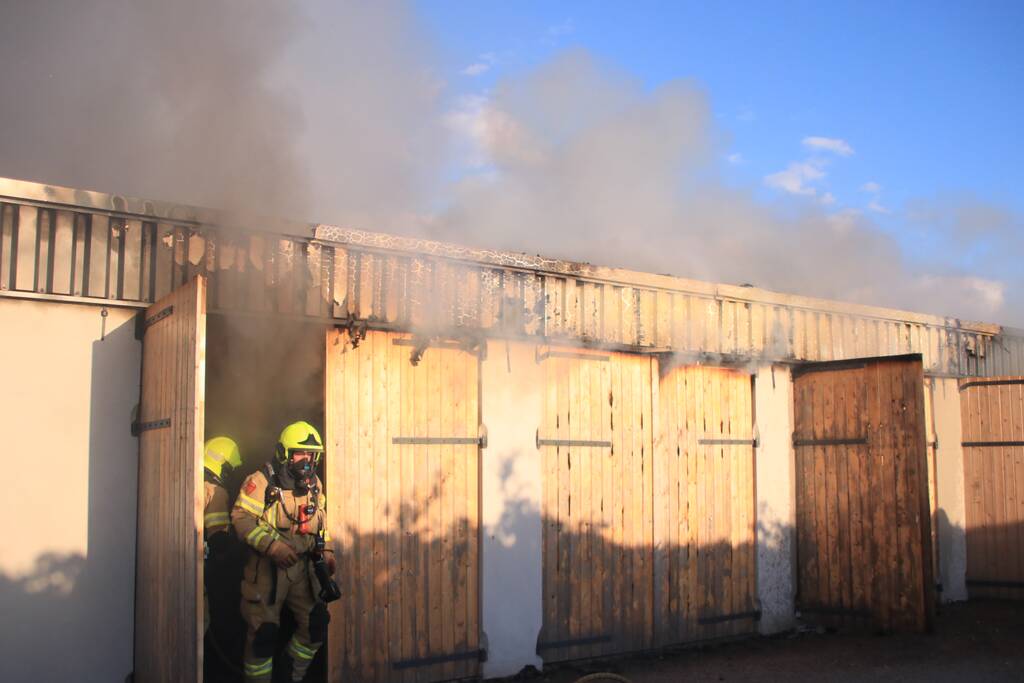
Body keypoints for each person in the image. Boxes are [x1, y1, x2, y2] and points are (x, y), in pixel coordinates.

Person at [232, 421, 336, 682]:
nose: (307, 462)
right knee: (263, 636)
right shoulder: (260, 482)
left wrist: (328, 549)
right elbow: (241, 518)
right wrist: (273, 546)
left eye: (312, 455)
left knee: (316, 626)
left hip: (303, 570)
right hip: (268, 572)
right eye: (301, 454)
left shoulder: (315, 485)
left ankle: (288, 676)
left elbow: (321, 519)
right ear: (284, 454)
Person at [203, 435, 243, 635]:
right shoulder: (216, 491)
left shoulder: (194, 481)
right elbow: (218, 538)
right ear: (224, 467)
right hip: (205, 568)